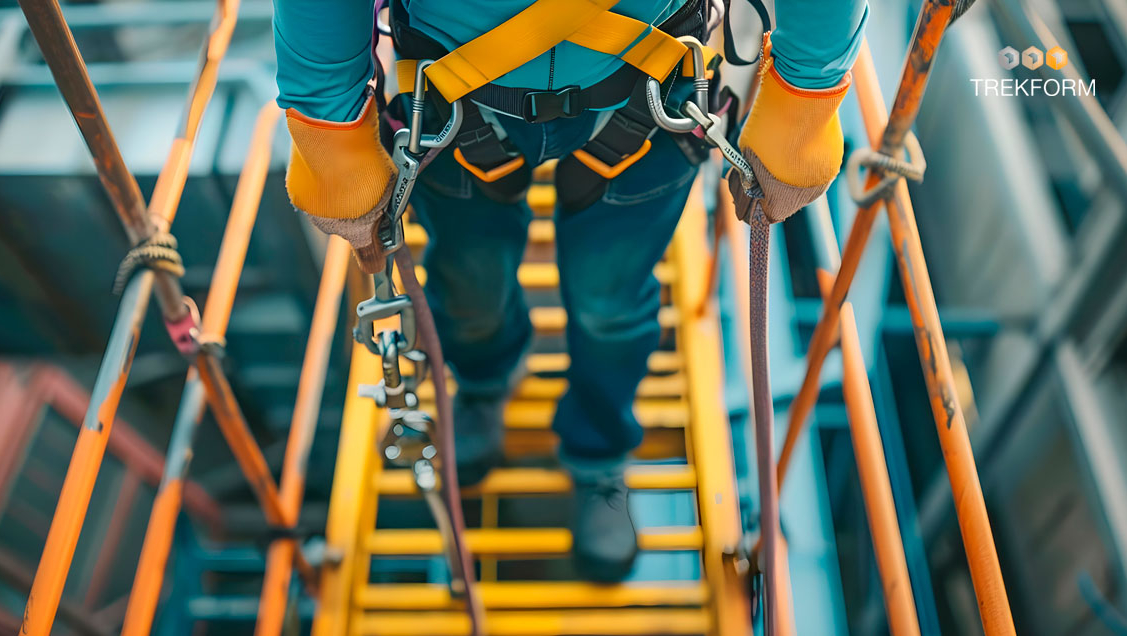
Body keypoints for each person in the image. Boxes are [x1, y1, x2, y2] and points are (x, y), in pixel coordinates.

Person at [274, 0, 868, 582]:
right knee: (468, 283)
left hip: (649, 91)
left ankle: (599, 454)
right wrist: (333, 131)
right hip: (454, 99)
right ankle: (484, 385)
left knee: (610, 304)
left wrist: (803, 97)